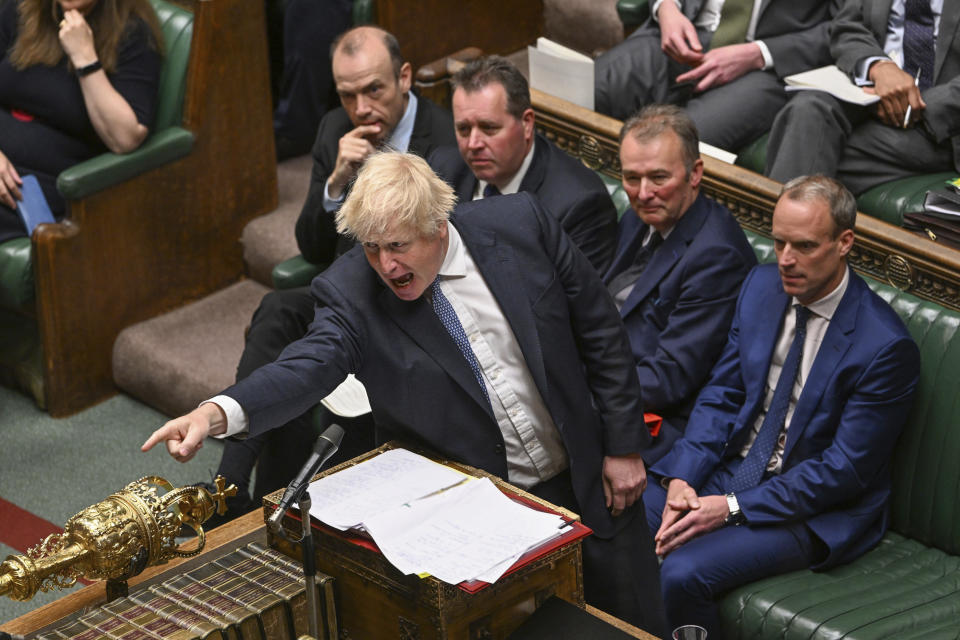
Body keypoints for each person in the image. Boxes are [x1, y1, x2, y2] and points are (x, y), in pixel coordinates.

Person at [144, 151, 669, 637]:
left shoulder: (521, 226)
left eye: (398, 246)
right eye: (372, 248)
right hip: (484, 514)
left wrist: (623, 446)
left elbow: (600, 330)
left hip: (591, 478)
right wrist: (217, 412)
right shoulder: (352, 292)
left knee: (632, 624)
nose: (386, 266)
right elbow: (306, 365)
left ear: (439, 225)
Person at [641, 175, 921, 635]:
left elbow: (843, 471)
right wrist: (683, 477)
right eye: (779, 242)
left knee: (683, 571)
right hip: (731, 468)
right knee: (626, 522)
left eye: (805, 246)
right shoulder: (761, 286)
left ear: (844, 242)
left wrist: (730, 507)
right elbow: (723, 393)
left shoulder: (883, 346)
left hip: (813, 505)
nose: (786, 260)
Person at [206, 25, 455, 519]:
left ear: (404, 78)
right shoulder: (332, 132)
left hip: (412, 304)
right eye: (348, 94)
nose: (362, 108)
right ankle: (229, 486)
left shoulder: (445, 143)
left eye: (374, 90)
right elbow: (312, 247)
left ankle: (276, 500)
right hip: (343, 294)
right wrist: (337, 182)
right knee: (277, 310)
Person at [605, 104, 756, 464]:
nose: (642, 193)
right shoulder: (639, 218)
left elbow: (667, 379)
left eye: (659, 178)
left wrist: (582, 386)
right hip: (614, 383)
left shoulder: (716, 256)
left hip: (660, 425)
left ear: (695, 173)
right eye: (631, 178)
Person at [428, 56, 618, 273]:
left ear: (526, 123)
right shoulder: (444, 168)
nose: (473, 144)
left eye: (488, 128)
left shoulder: (579, 204)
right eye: (463, 129)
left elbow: (578, 302)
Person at [0, 0, 163, 242]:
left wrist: (85, 58)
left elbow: (125, 139)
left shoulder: (133, 35)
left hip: (34, 190)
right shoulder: (23, 9)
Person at [765, 0, 959, 195]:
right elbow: (848, 26)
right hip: (868, 92)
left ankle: (778, 222)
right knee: (807, 108)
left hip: (939, 122)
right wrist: (877, 66)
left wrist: (910, 103)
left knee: (804, 153)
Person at [593, 0, 836, 152]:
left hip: (767, 65)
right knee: (587, 89)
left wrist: (759, 54)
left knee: (674, 146)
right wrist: (666, 8)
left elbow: (846, 27)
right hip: (682, 30)